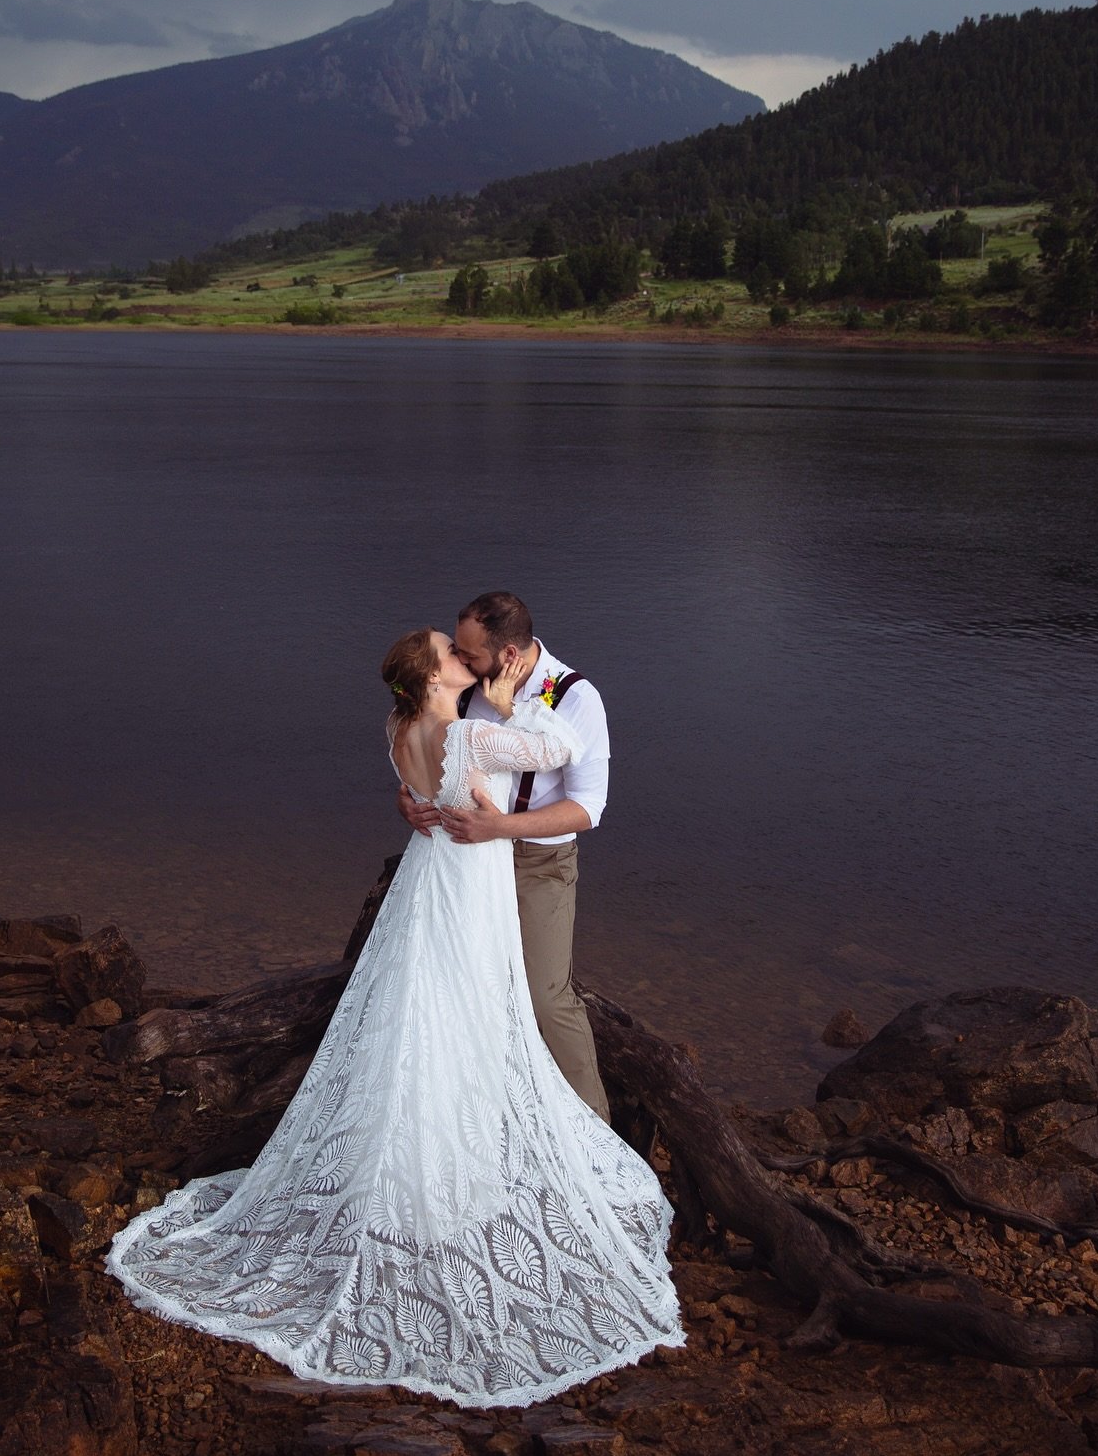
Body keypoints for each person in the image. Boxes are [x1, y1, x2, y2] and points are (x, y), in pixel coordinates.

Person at [105, 627, 682, 1407]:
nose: (463, 658)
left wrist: (434, 777)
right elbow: (547, 751)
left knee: (418, 1012)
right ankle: (444, 1185)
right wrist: (514, 702)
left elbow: (422, 782)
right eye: (452, 652)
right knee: (467, 1016)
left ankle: (424, 1161)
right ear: (437, 674)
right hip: (467, 884)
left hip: (432, 877)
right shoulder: (473, 731)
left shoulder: (399, 727)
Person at [397, 592, 611, 1121]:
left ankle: (595, 1124)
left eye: (469, 655)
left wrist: (500, 826)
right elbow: (434, 747)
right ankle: (488, 1118)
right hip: (466, 862)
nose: (462, 663)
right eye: (458, 653)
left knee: (544, 995)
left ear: (509, 652)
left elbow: (588, 808)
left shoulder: (578, 700)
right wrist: (409, 797)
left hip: (538, 862)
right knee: (468, 988)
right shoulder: (469, 689)